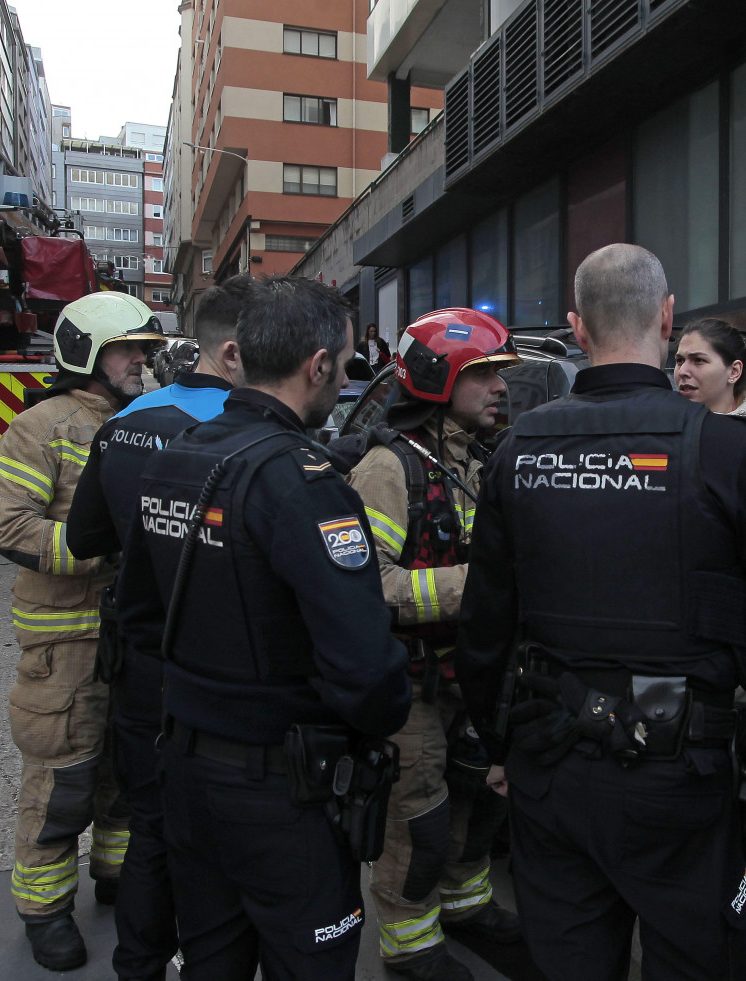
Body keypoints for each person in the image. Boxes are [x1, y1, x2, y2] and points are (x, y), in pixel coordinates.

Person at [455, 243, 746, 981]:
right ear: (667, 315)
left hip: (549, 769)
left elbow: (486, 620)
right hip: (681, 774)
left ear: (577, 328)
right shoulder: (722, 451)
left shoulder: (516, 449)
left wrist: (494, 746)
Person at [116, 275, 412, 981]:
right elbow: (366, 670)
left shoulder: (173, 456)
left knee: (212, 959)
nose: (342, 380)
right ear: (315, 366)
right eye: (341, 367)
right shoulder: (303, 483)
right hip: (282, 791)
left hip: (187, 772)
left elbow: (135, 615)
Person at [65, 276, 252, 981]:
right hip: (222, 667)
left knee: (151, 826)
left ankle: (137, 964)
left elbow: (85, 536)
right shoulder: (248, 430)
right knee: (226, 836)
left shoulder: (127, 420)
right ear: (236, 351)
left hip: (140, 656)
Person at [0, 291, 166, 972]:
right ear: (86, 352)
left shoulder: (144, 421)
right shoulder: (40, 427)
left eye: (145, 351)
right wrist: (105, 544)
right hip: (64, 644)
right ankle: (44, 910)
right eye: (129, 350)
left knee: (124, 770)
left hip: (129, 638)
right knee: (61, 782)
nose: (141, 362)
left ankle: (115, 876)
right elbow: (12, 529)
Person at [347, 309, 523, 981]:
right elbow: (369, 584)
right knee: (417, 821)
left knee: (477, 802)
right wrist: (478, 586)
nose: (498, 388)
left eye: (499, 375)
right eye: (481, 374)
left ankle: (466, 904)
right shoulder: (387, 470)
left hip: (471, 677)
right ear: (434, 378)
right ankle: (410, 943)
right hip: (412, 684)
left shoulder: (478, 460)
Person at [674, 316, 746, 416]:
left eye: (698, 360)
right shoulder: (661, 421)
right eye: (680, 360)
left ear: (734, 371)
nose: (682, 371)